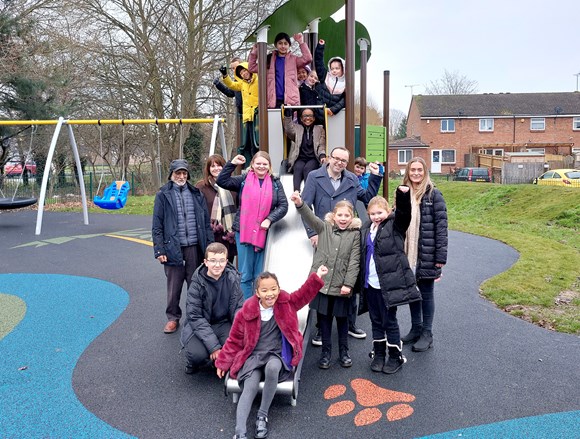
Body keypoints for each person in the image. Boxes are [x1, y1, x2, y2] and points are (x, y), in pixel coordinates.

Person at [216, 266, 328, 439]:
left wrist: (317, 277)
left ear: (279, 288)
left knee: (273, 368)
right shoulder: (246, 311)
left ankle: (262, 415)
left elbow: (304, 295)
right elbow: (234, 340)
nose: (270, 294)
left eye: (274, 289)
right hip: (254, 356)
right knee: (250, 385)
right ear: (257, 293)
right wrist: (223, 361)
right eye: (265, 290)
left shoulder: (286, 303)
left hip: (276, 354)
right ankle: (240, 432)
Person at [301, 146, 382, 343]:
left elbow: (368, 197)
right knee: (324, 279)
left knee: (349, 277)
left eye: (344, 161)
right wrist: (313, 232)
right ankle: (321, 327)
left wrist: (376, 176)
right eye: (336, 158)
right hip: (326, 235)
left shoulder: (352, 179)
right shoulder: (314, 176)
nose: (340, 163)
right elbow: (305, 205)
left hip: (348, 237)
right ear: (329, 158)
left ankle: (350, 322)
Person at [291, 193, 361, 369]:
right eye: (340, 215)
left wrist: (348, 284)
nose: (343, 219)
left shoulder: (354, 235)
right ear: (333, 216)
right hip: (322, 284)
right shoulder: (324, 228)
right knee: (324, 320)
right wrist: (300, 203)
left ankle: (344, 352)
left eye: (347, 216)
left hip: (341, 286)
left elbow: (354, 261)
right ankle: (325, 353)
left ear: (352, 217)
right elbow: (309, 217)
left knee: (343, 320)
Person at [359, 191, 421, 374]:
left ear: (388, 211)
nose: (376, 217)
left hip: (388, 285)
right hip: (370, 284)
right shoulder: (366, 228)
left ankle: (395, 356)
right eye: (373, 213)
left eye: (380, 213)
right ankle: (379, 354)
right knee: (375, 320)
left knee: (389, 321)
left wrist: (403, 196)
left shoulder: (395, 226)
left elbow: (404, 214)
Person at [152, 159, 214, 334]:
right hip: (173, 247)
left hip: (194, 246)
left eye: (184, 173)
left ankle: (195, 317)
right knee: (174, 285)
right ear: (171, 175)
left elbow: (206, 223)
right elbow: (157, 225)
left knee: (196, 284)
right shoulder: (163, 195)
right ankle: (173, 318)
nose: (181, 176)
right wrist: (159, 249)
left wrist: (208, 248)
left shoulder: (196, 194)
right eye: (177, 173)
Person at [216, 152, 288, 299]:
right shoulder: (243, 180)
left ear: (269, 166)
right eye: (258, 163)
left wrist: (269, 219)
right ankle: (247, 308)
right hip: (243, 232)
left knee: (260, 273)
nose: (261, 166)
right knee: (245, 274)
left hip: (263, 233)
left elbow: (283, 206)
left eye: (264, 164)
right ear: (252, 165)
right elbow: (221, 181)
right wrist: (232, 164)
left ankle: (260, 306)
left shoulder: (275, 183)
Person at [400, 157, 448, 352]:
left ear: (425, 171)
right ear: (408, 172)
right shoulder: (403, 192)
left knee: (426, 295)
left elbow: (442, 228)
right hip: (407, 253)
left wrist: (440, 258)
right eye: (413, 170)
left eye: (420, 170)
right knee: (413, 293)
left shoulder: (434, 195)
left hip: (426, 254)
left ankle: (427, 333)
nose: (416, 173)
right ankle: (416, 328)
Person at [180, 243, 244, 374]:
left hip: (223, 323)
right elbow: (195, 317)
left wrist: (241, 332)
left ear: (226, 261)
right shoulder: (197, 283)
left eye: (221, 261)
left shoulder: (233, 279)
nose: (217, 265)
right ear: (205, 262)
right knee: (196, 354)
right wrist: (214, 347)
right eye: (213, 260)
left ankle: (218, 360)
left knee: (238, 348)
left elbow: (239, 308)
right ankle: (196, 362)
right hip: (202, 324)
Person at [248, 32, 312, 109]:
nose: (283, 46)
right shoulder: (269, 60)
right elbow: (251, 68)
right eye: (280, 43)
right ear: (276, 45)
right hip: (273, 101)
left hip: (290, 101)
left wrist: (301, 42)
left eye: (285, 43)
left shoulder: (293, 59)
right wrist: (254, 52)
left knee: (289, 121)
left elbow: (308, 58)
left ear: (289, 45)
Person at [195, 154, 238, 263]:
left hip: (228, 235)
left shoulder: (233, 185)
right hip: (210, 235)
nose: (216, 169)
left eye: (219, 165)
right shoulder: (201, 187)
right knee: (210, 266)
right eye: (213, 166)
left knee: (227, 266)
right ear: (208, 169)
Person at [220, 62, 259, 164]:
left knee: (258, 142)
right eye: (241, 73)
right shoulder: (242, 84)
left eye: (245, 70)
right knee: (250, 143)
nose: (243, 74)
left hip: (257, 115)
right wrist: (225, 76)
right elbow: (232, 85)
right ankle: (252, 164)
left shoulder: (258, 79)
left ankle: (259, 161)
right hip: (248, 117)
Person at [282, 107, 326, 192]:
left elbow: (321, 145)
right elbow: (288, 130)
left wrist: (322, 155)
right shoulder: (297, 128)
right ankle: (296, 192)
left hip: (313, 158)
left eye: (310, 116)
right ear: (301, 118)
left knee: (307, 169)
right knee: (298, 168)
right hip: (300, 158)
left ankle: (307, 193)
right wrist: (288, 115)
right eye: (305, 116)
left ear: (314, 118)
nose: (308, 118)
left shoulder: (319, 129)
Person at [314, 39, 345, 117]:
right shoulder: (325, 76)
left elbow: (344, 101)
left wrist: (333, 110)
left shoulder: (346, 83)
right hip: (319, 113)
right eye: (332, 68)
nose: (334, 71)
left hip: (334, 115)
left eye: (337, 68)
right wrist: (320, 47)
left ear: (343, 69)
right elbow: (319, 62)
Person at [213, 57, 243, 121]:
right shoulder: (236, 81)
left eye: (236, 68)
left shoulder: (247, 79)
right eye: (232, 69)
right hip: (241, 114)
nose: (234, 70)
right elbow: (230, 93)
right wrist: (219, 84)